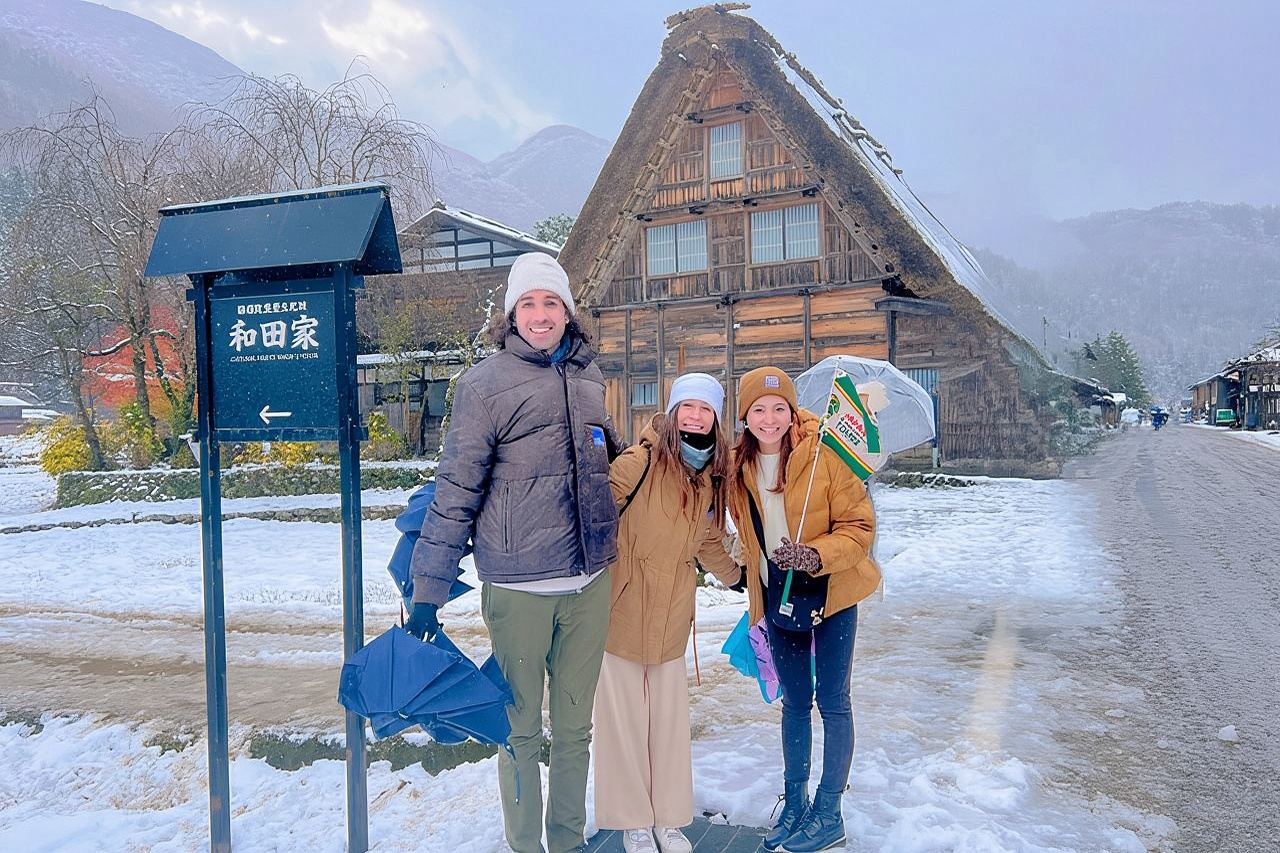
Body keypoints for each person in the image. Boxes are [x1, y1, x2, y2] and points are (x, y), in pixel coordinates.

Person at [406, 251, 622, 853]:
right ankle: (526, 845)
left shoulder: (588, 378)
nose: (540, 313)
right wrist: (429, 590)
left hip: (588, 582)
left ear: (567, 312)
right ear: (511, 314)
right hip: (519, 586)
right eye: (528, 303)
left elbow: (600, 462)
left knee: (576, 728)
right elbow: (456, 490)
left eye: (551, 302)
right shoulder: (484, 386)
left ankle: (568, 841)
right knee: (521, 728)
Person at [726, 366, 881, 853]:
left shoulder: (826, 455)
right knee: (794, 703)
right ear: (745, 416)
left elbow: (859, 527)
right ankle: (795, 803)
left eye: (779, 409)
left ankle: (828, 810)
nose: (769, 419)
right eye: (758, 409)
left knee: (833, 701)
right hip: (778, 596)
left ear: (792, 412)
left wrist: (814, 554)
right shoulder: (738, 466)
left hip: (832, 594)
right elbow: (742, 530)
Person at [593, 372, 745, 853]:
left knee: (668, 724)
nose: (695, 416)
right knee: (624, 724)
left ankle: (668, 820)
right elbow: (593, 517)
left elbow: (704, 538)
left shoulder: (705, 475)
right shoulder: (636, 464)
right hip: (621, 609)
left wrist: (736, 577)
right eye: (687, 406)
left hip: (673, 614)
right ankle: (634, 820)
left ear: (715, 419)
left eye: (705, 409)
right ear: (673, 411)